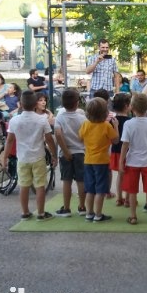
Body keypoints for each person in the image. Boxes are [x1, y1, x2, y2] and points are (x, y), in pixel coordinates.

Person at [2, 90, 57, 221]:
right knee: (40, 186)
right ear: (35, 104)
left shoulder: (14, 120)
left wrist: (4, 158)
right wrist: (54, 155)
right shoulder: (42, 120)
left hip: (22, 158)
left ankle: (25, 212)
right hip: (38, 157)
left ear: (20, 104)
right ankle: (41, 213)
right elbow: (49, 139)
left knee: (24, 185)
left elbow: (9, 140)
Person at [119, 93, 147, 225]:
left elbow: (125, 144)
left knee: (132, 191)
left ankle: (133, 216)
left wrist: (121, 161)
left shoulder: (128, 124)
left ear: (132, 107)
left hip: (132, 161)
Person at [79, 97, 119, 222]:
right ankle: (98, 214)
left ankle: (89, 213)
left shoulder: (85, 124)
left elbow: (80, 137)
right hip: (102, 161)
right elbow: (116, 140)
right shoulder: (106, 126)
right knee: (100, 189)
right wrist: (116, 126)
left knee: (90, 189)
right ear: (105, 112)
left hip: (88, 160)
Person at [54, 89, 87, 217]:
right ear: (77, 103)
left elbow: (58, 134)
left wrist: (66, 151)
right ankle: (82, 207)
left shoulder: (60, 117)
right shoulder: (82, 118)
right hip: (80, 152)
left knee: (66, 181)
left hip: (65, 153)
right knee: (81, 180)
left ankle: (66, 208)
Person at [109, 93, 132, 207]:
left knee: (120, 175)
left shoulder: (112, 120)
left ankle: (119, 198)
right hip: (128, 152)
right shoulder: (130, 121)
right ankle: (127, 199)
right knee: (129, 175)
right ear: (126, 106)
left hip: (116, 151)